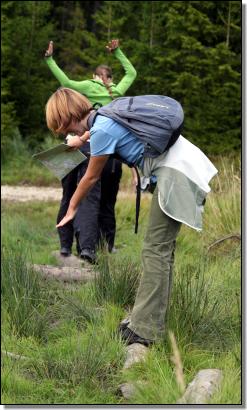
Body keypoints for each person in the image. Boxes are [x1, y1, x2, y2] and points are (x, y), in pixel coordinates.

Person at [45, 88, 217, 348]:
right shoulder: (104, 117)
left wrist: (71, 208)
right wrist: (81, 140)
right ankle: (148, 321)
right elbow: (99, 132)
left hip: (176, 173)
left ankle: (145, 330)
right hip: (182, 166)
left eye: (59, 126)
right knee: (161, 250)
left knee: (155, 250)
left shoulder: (102, 128)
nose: (61, 132)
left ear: (65, 118)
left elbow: (90, 177)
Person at [44, 39, 137, 261]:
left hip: (84, 145)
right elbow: (132, 73)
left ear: (96, 76)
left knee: (71, 194)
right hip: (112, 150)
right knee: (105, 201)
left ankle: (67, 247)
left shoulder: (88, 87)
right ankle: (102, 246)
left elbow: (64, 82)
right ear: (111, 78)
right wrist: (118, 52)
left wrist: (49, 60)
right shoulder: (117, 90)